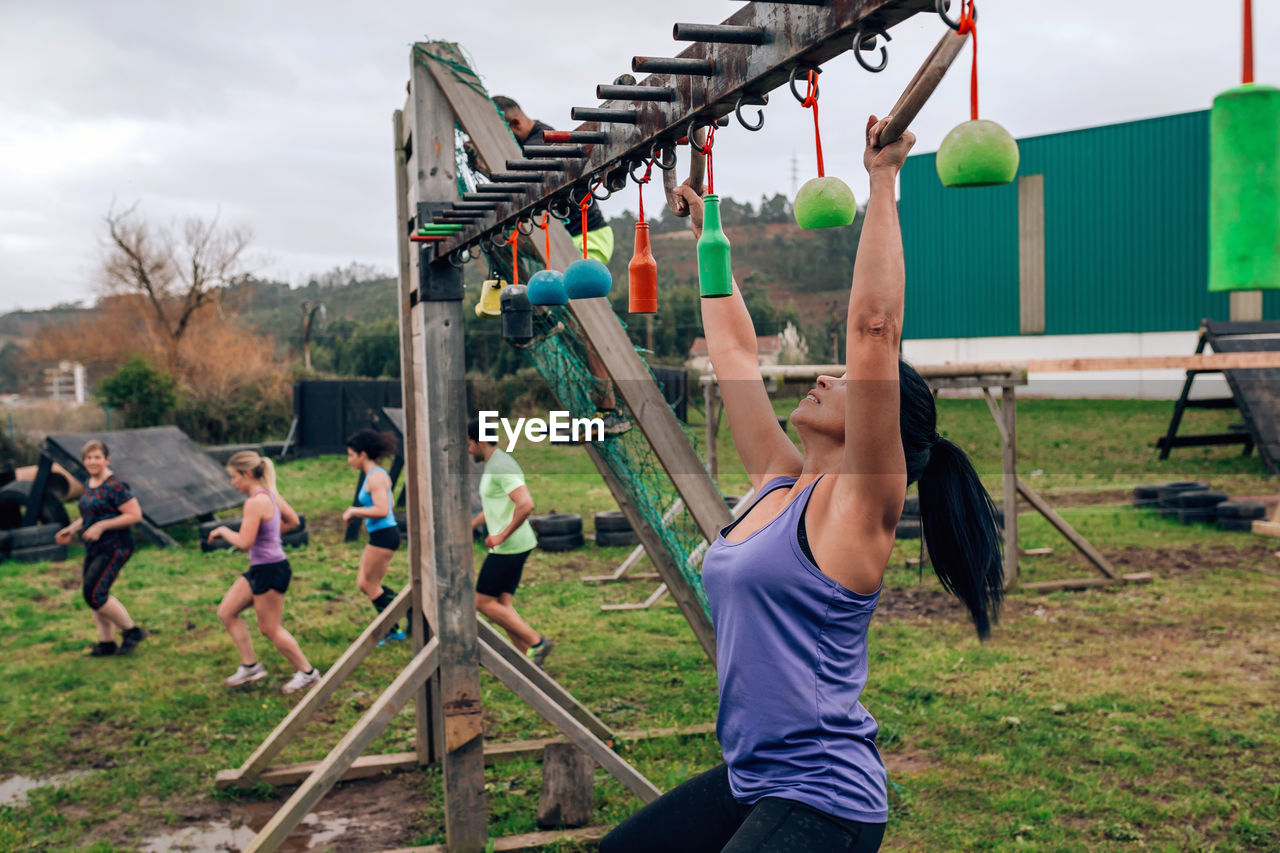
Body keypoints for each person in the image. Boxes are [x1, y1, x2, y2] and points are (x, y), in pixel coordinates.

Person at [599, 117, 1005, 852]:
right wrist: (708, 232)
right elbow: (731, 348)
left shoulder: (858, 512)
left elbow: (875, 327)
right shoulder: (778, 482)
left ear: (881, 428)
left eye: (846, 381)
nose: (825, 374)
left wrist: (883, 180)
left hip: (823, 794)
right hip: (754, 778)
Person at [492, 95, 630, 436]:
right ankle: (541, 314)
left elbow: (528, 185)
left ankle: (609, 410)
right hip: (558, 238)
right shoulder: (532, 144)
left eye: (502, 138)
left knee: (585, 328)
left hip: (587, 238)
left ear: (514, 125)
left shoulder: (542, 144)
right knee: (500, 240)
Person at [210, 450, 321, 694]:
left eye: (234, 477)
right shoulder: (270, 495)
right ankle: (250, 666)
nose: (232, 483)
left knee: (270, 628)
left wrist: (222, 531)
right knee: (227, 612)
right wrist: (270, 537)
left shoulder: (254, 502)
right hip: (262, 567)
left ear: (247, 474)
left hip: (270, 570)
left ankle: (308, 673)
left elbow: (244, 542)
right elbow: (293, 521)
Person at [466, 418, 554, 666]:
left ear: (480, 441)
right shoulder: (493, 463)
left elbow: (526, 504)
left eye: (469, 444)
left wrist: (501, 535)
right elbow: (496, 504)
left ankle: (537, 643)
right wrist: (470, 525)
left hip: (509, 546)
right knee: (502, 605)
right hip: (514, 545)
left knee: (481, 601)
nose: (468, 450)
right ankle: (528, 658)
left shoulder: (502, 465)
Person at [55, 440, 146, 657]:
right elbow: (90, 515)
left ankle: (132, 631)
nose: (92, 461)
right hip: (95, 546)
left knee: (95, 593)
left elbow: (134, 515)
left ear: (107, 460)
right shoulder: (90, 482)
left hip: (116, 546)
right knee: (93, 594)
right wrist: (71, 528)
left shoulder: (116, 486)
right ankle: (106, 643)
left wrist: (101, 526)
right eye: (88, 457)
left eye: (97, 457)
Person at [341, 429, 405, 643]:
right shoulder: (375, 474)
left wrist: (354, 510)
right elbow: (390, 503)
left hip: (384, 535)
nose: (350, 460)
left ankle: (395, 626)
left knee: (371, 585)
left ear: (363, 454)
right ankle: (404, 611)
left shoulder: (375, 477)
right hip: (381, 534)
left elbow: (383, 509)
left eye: (351, 455)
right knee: (364, 583)